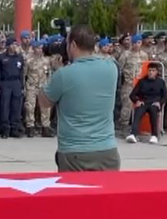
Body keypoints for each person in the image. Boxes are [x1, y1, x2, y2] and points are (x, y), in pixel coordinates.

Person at [38, 25, 121, 172]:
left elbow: (44, 102)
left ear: (74, 45)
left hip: (75, 154)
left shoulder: (64, 75)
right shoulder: (111, 68)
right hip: (107, 150)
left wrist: (54, 73)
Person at [126, 61, 167, 144]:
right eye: (150, 70)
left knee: (154, 112)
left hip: (154, 102)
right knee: (138, 111)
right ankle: (133, 134)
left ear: (156, 72)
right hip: (143, 102)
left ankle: (154, 135)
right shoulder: (142, 81)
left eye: (153, 71)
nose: (151, 72)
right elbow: (132, 95)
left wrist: (160, 102)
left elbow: (165, 96)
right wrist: (137, 101)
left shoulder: (160, 82)